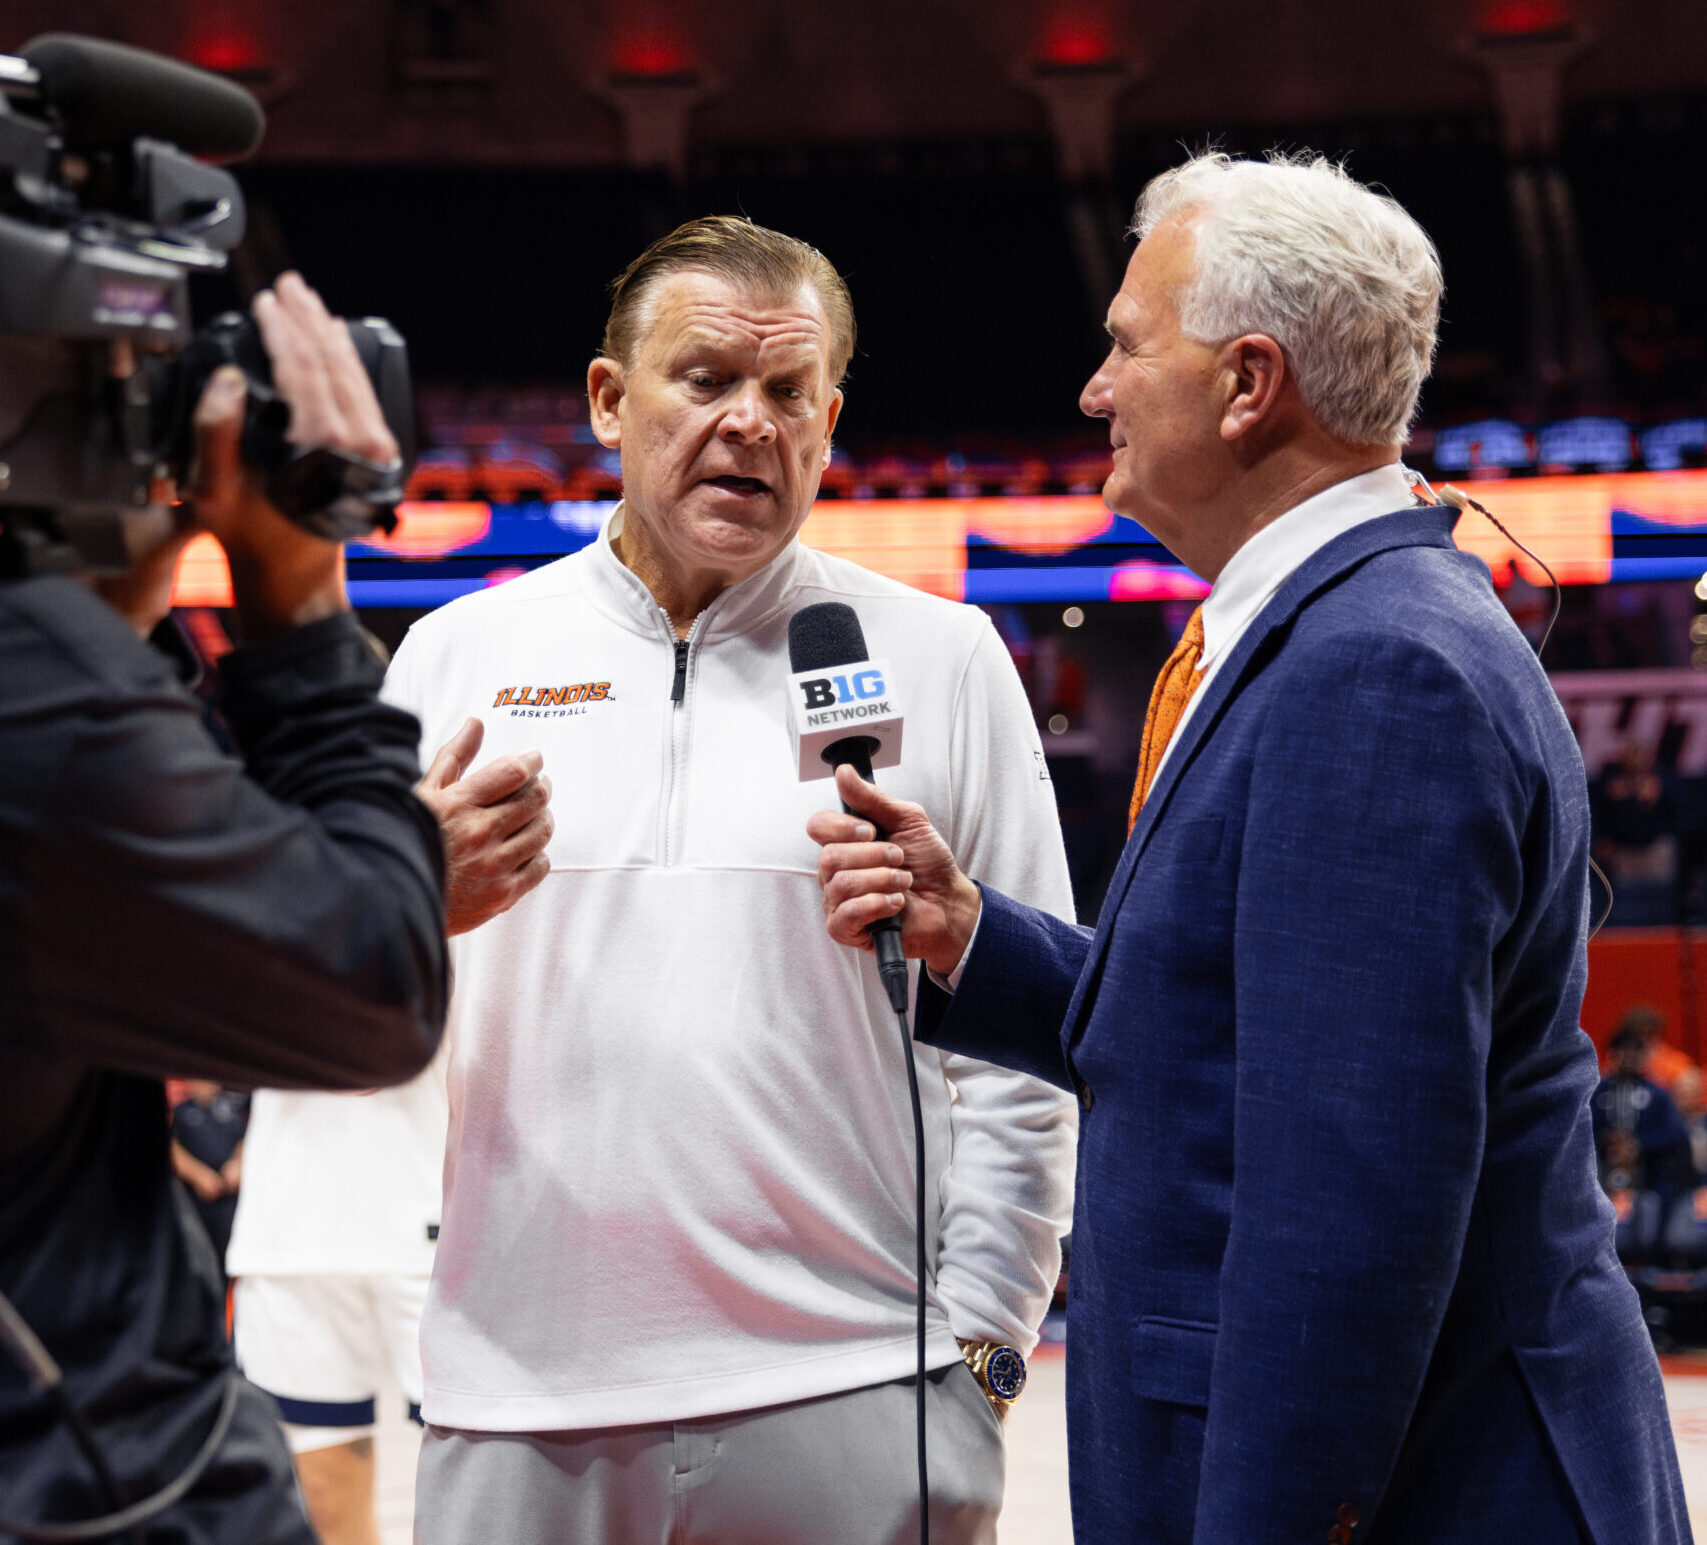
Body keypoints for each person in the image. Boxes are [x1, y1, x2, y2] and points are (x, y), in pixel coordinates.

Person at [810, 153, 1690, 1543]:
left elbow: (1345, 1206)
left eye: (1122, 345)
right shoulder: (1347, 626)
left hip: (1419, 1489)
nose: (1093, 390)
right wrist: (978, 939)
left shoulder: (1373, 670)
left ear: (1244, 383)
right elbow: (1234, 1036)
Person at [385, 215, 1077, 1543]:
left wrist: (985, 1341)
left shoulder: (944, 657)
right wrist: (402, 905)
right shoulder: (453, 658)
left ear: (827, 419)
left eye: (783, 392)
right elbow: (343, 1021)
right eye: (704, 379)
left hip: (858, 1385)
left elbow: (1025, 1038)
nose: (747, 424)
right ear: (609, 400)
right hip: (511, 1400)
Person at [0, 275, 449, 1541]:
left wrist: (114, 615)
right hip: (89, 1473)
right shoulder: (41, 694)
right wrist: (299, 607)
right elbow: (374, 988)